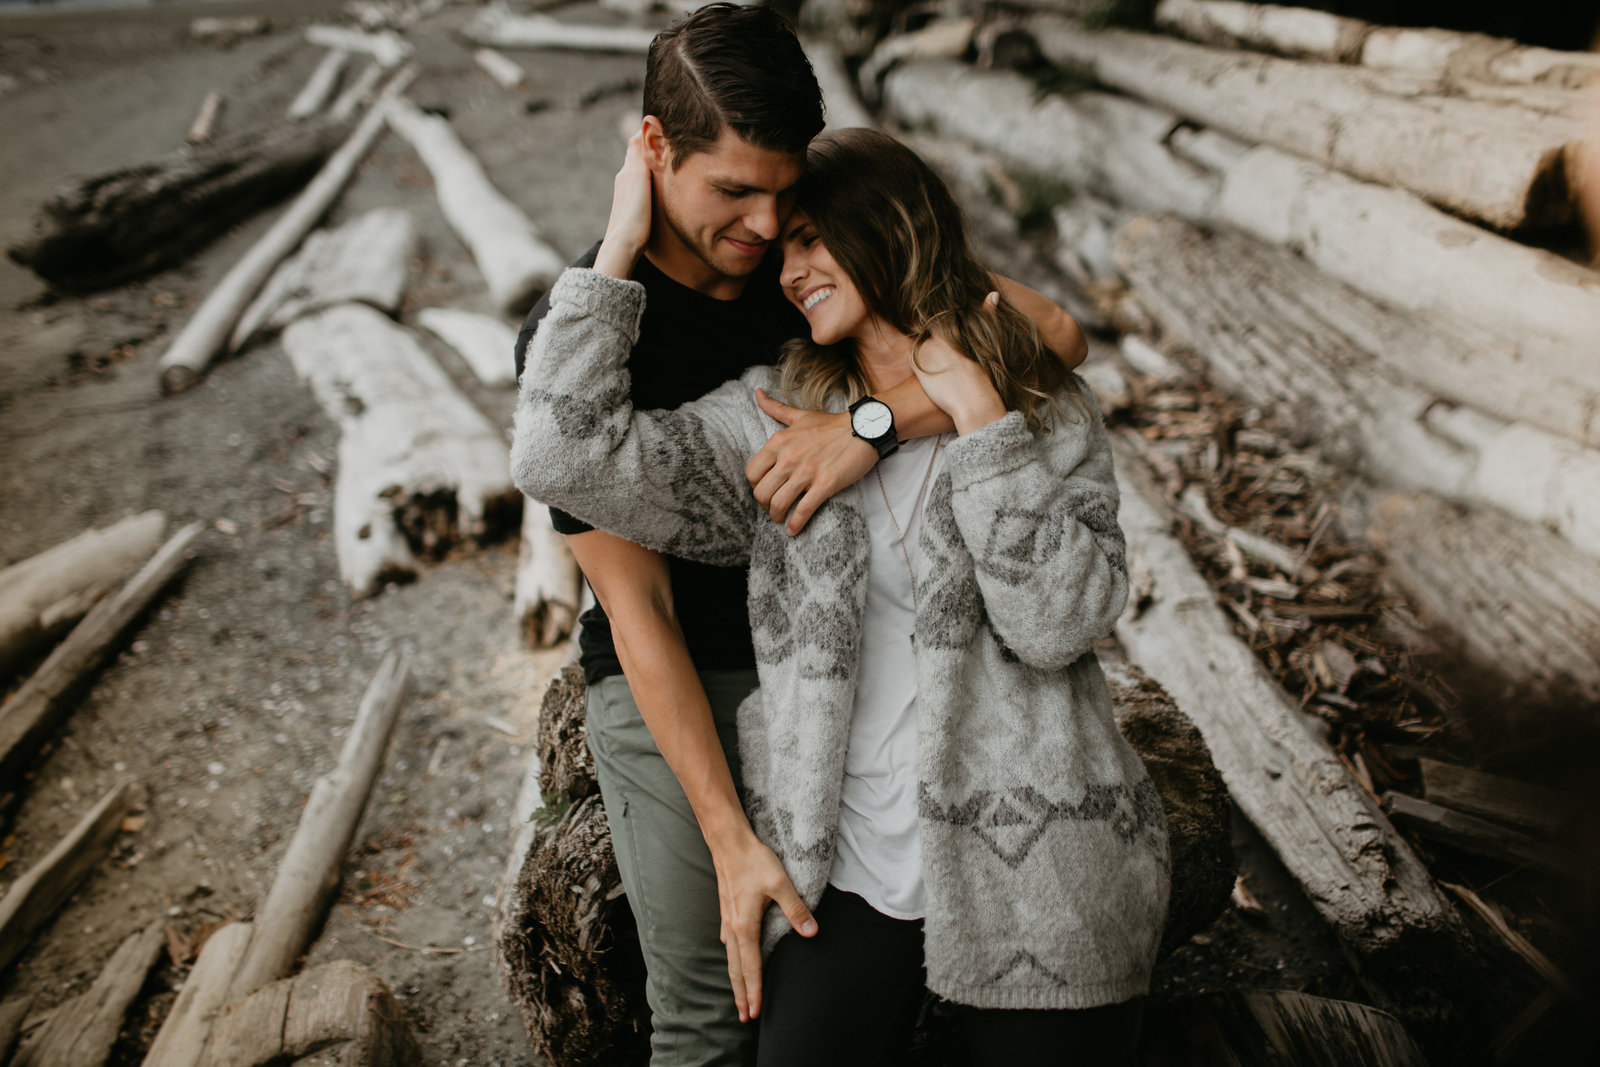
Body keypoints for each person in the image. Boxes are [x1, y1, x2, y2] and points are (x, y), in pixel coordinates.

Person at [510, 127, 1170, 1064]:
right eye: (785, 250)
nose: (791, 268)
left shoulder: (1040, 406)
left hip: (1046, 853)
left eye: (814, 238)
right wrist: (615, 247)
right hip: (845, 865)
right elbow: (562, 457)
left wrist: (979, 421)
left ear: (891, 228)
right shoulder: (772, 414)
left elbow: (1058, 622)